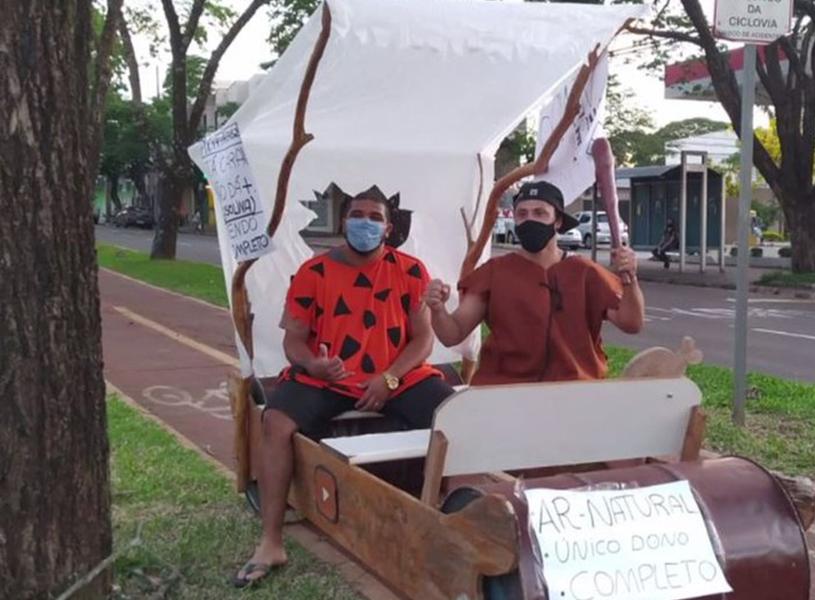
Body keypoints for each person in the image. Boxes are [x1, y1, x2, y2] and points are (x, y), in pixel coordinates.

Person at [233, 186, 455, 587]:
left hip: (394, 376)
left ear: (388, 228)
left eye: (375, 217)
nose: (365, 223)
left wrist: (389, 378)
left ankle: (440, 517)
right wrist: (314, 364)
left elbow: (422, 340)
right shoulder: (312, 273)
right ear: (343, 221)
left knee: (451, 417)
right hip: (329, 378)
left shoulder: (410, 270)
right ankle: (270, 540)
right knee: (275, 422)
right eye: (357, 214)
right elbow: (293, 341)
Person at [423, 180, 644, 385]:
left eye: (540, 213)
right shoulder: (494, 272)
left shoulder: (586, 272)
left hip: (575, 388)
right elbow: (452, 334)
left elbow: (631, 323)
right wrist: (438, 309)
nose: (530, 220)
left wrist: (630, 280)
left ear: (557, 221)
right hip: (505, 389)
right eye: (522, 214)